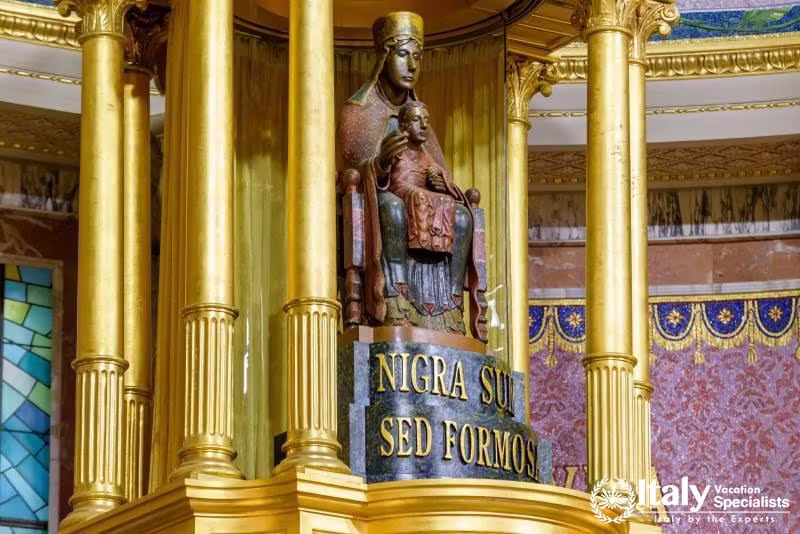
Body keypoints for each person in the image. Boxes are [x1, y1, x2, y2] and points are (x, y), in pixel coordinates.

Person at [337, 12, 476, 334]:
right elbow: (351, 174)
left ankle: (450, 306)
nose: (412, 65)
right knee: (394, 210)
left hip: (420, 198)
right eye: (402, 54)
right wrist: (379, 163)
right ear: (384, 56)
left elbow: (434, 167)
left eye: (418, 56)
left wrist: (443, 184)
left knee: (462, 218)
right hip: (382, 198)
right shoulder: (359, 110)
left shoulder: (420, 116)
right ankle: (394, 298)